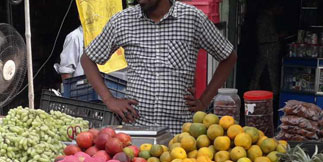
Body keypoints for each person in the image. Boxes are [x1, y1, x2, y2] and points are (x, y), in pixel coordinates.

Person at [80, 0, 237, 131]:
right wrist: (109, 99)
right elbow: (88, 59)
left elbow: (228, 56)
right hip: (137, 130)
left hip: (180, 133)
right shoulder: (122, 21)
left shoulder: (191, 19)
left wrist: (204, 101)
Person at [250, 2, 283, 94]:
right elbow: (262, 37)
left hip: (270, 50)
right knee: (265, 73)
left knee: (268, 73)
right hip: (267, 50)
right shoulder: (264, 19)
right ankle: (254, 91)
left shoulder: (269, 18)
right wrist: (278, 36)